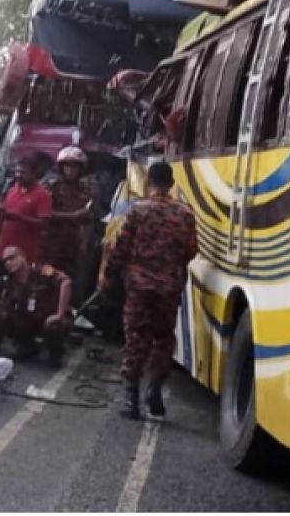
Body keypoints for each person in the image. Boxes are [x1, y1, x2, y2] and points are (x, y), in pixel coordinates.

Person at [100, 162, 197, 420]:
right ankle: (155, 389)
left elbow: (120, 248)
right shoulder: (185, 214)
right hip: (169, 288)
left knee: (136, 338)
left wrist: (109, 274)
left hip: (139, 286)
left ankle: (130, 398)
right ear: (172, 184)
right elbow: (191, 251)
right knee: (163, 340)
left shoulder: (138, 211)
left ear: (148, 183)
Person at [0, 245, 72, 368]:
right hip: (29, 319)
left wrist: (60, 313)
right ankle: (26, 346)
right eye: (5, 261)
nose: (8, 263)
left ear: (23, 257)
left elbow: (66, 282)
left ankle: (56, 355)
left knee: (54, 326)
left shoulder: (42, 271)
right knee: (1, 313)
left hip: (48, 318)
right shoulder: (10, 282)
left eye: (12, 258)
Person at [43, 146, 94, 304]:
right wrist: (71, 216)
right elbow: (45, 213)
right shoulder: (51, 186)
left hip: (75, 243)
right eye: (67, 166)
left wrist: (85, 244)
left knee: (72, 280)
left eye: (75, 166)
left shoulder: (87, 189)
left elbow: (90, 217)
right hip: (53, 241)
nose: (71, 170)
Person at [0, 155, 52, 265]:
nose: (18, 175)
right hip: (2, 252)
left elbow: (44, 224)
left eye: (23, 173)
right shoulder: (11, 190)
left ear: (34, 174)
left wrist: (18, 217)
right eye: (17, 172)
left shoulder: (43, 195)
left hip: (24, 256)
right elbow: (0, 220)